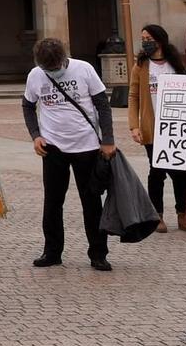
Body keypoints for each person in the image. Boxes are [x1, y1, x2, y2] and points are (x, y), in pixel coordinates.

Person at [22, 36, 118, 272]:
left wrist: (108, 139)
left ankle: (98, 253)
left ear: (64, 59)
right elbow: (27, 105)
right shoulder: (35, 75)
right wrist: (35, 135)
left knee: (92, 201)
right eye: (48, 69)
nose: (53, 71)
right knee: (53, 202)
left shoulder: (83, 69)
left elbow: (102, 105)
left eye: (55, 67)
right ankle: (52, 252)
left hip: (86, 145)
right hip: (53, 147)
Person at [127, 23, 186, 234]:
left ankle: (183, 214)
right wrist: (134, 126)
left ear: (160, 39)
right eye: (143, 38)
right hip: (153, 127)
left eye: (149, 38)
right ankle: (157, 215)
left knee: (181, 173)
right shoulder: (140, 66)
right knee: (157, 172)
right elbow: (133, 96)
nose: (145, 42)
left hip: (177, 128)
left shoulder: (177, 64)